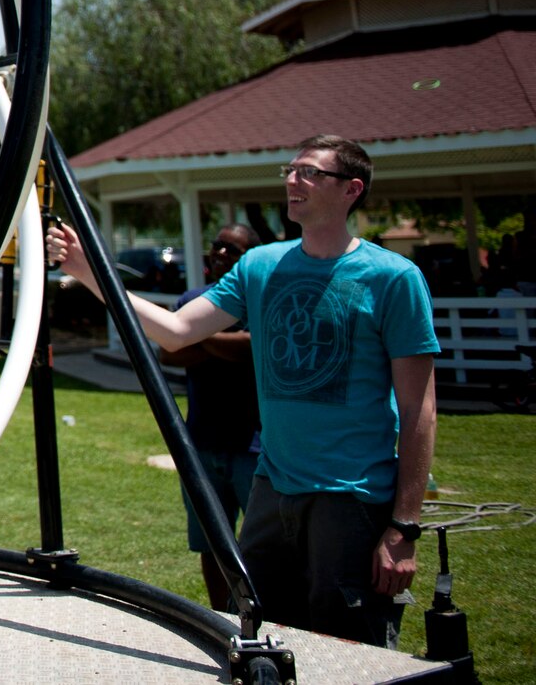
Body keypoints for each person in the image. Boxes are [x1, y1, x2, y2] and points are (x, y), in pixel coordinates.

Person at [47, 135, 439, 647]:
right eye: (291, 170)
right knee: (258, 637)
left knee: (351, 651)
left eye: (311, 173)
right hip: (272, 491)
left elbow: (419, 411)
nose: (293, 181)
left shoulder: (394, 279)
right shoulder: (261, 267)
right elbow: (176, 330)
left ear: (352, 190)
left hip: (353, 500)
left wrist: (403, 528)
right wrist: (88, 271)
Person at [157, 222, 263, 610]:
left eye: (231, 250)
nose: (220, 254)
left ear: (250, 257)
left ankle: (258, 615)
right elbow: (169, 353)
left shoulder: (260, 297)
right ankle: (222, 616)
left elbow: (251, 352)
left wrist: (192, 334)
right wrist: (216, 340)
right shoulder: (194, 298)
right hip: (200, 442)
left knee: (260, 545)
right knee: (212, 543)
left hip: (252, 444)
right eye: (217, 245)